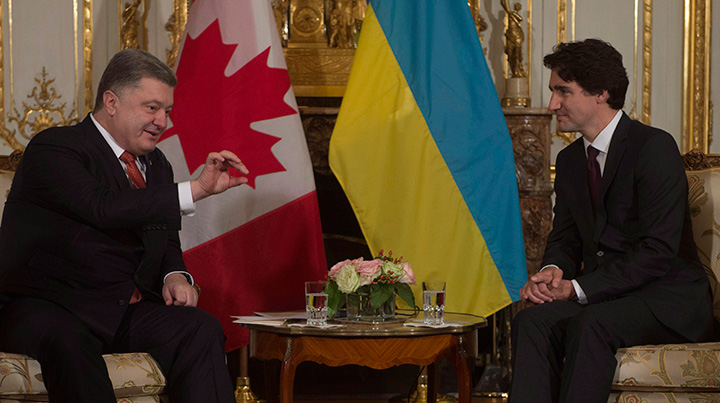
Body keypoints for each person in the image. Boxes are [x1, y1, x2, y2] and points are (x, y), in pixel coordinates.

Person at [0, 49, 247, 402]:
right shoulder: (55, 148)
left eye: (167, 111)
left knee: (200, 328)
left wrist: (174, 275)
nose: (162, 121)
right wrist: (198, 189)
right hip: (46, 305)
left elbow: (164, 235)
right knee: (72, 342)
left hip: (118, 310)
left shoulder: (156, 164)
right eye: (152, 108)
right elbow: (102, 207)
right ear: (111, 102)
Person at [509, 39, 713, 402]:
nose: (553, 104)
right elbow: (565, 237)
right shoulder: (571, 160)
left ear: (601, 93)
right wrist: (553, 271)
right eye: (554, 91)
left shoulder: (653, 147)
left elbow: (658, 251)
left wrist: (576, 289)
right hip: (608, 297)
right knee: (531, 321)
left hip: (666, 298)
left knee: (592, 324)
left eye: (563, 91)